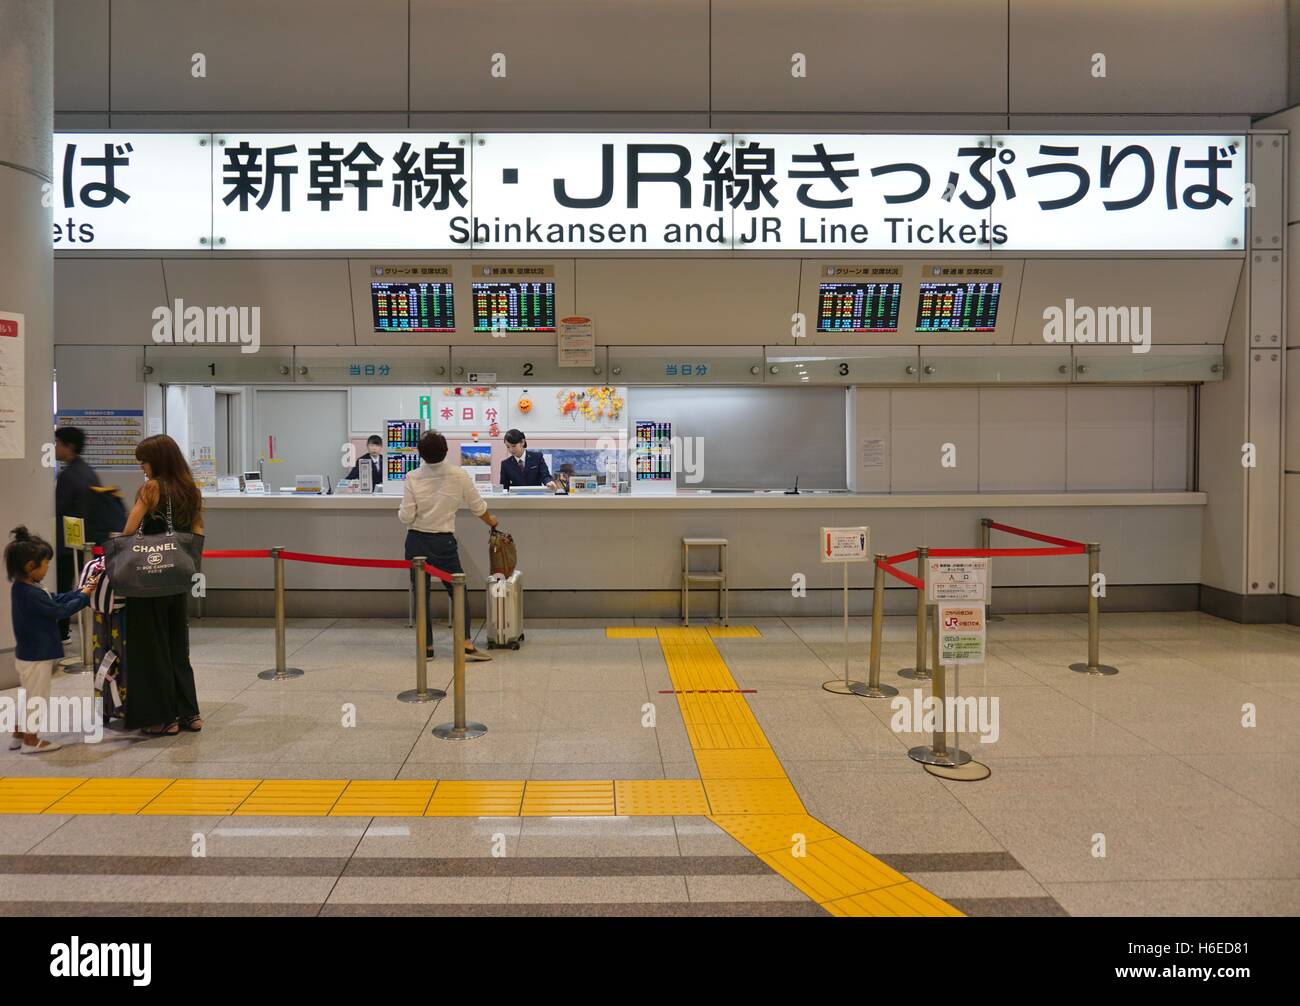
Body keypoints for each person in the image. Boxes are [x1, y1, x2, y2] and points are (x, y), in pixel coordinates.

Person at [122, 434, 205, 736]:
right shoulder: (191, 490)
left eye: (143, 461)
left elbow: (130, 529)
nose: (142, 467)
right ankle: (189, 714)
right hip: (176, 577)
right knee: (177, 647)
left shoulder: (151, 488)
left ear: (156, 461)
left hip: (148, 581)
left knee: (151, 647)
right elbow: (198, 531)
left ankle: (163, 718)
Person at [399, 431, 498, 662]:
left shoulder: (412, 477)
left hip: (416, 541)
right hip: (444, 543)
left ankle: (427, 648)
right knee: (458, 590)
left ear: (420, 454)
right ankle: (464, 643)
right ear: (446, 451)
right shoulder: (459, 474)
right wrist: (491, 521)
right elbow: (477, 506)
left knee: (421, 595)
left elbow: (406, 516)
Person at [6, 526, 98, 753]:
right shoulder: (31, 593)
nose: (48, 567)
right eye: (45, 563)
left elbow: (55, 600)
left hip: (27, 653)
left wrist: (80, 592)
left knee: (29, 694)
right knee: (38, 697)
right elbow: (59, 611)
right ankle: (31, 740)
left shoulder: (25, 588)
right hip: (37, 655)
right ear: (30, 566)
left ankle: (18, 734)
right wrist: (85, 597)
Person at [54, 426, 101, 643]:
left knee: (64, 586)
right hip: (90, 540)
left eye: (57, 442)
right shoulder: (88, 472)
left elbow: (59, 508)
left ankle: (61, 632)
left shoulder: (69, 475)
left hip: (69, 542)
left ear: (68, 446)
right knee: (86, 584)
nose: (55, 447)